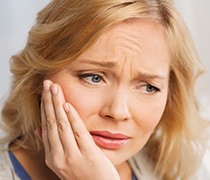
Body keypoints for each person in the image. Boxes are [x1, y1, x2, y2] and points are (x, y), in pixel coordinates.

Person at [0, 0, 209, 179]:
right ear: (39, 74)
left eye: (148, 87)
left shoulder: (183, 170)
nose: (118, 112)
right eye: (94, 78)